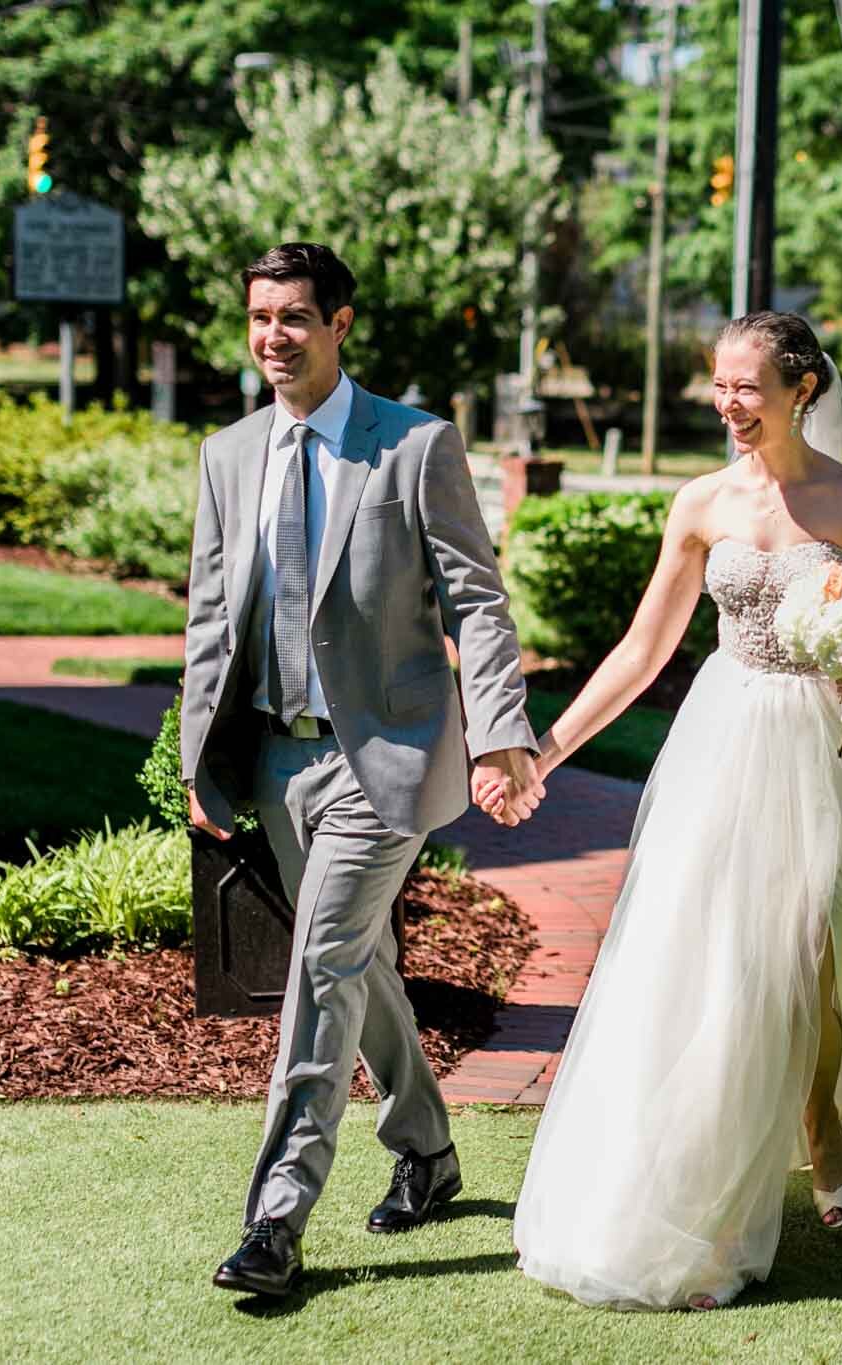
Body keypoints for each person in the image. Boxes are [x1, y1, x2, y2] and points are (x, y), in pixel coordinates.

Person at [507, 311, 842, 1311]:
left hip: (833, 749)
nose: (726, 402)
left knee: (809, 947)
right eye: (717, 383)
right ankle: (706, 1182)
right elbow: (641, 649)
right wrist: (547, 747)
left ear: (801, 389)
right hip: (727, 740)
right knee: (718, 953)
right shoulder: (700, 504)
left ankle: (824, 1130)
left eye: (745, 385)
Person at [180, 242, 543, 1298]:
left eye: (294, 317)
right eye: (258, 317)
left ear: (341, 324)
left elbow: (475, 598)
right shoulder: (227, 454)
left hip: (382, 758)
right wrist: (199, 762)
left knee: (321, 966)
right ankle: (426, 1152)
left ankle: (277, 1219)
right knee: (355, 967)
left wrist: (501, 731)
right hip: (276, 758)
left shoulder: (414, 446)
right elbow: (211, 620)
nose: (272, 338)